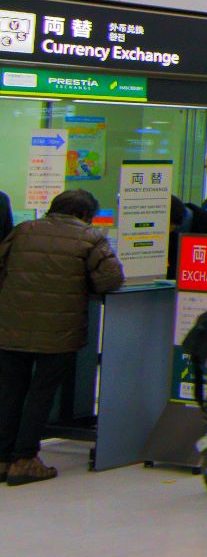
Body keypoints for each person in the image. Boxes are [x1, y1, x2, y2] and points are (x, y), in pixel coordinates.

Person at [0, 189, 123, 486]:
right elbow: (111, 279)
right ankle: (25, 459)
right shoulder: (91, 237)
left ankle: (3, 458)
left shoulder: (22, 230)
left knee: (10, 392)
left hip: (11, 326)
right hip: (59, 331)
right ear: (85, 214)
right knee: (41, 394)